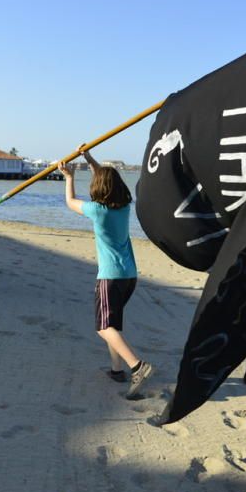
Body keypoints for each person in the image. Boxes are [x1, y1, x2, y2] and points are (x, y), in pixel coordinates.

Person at [57, 149, 153, 399]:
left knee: (103, 327)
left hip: (110, 277)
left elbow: (70, 202)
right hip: (129, 275)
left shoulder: (97, 210)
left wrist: (68, 178)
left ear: (98, 187)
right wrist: (90, 160)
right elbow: (104, 178)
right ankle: (116, 370)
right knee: (114, 324)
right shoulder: (124, 207)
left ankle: (137, 366)